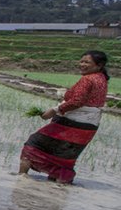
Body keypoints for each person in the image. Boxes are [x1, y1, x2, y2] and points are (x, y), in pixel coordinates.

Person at [17, 50, 110, 184]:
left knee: (33, 145)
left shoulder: (88, 79)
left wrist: (54, 110)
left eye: (87, 62)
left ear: (99, 65)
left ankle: (20, 180)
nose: (82, 64)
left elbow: (77, 101)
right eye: (81, 61)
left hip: (71, 123)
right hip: (89, 126)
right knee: (64, 156)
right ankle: (57, 189)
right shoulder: (101, 78)